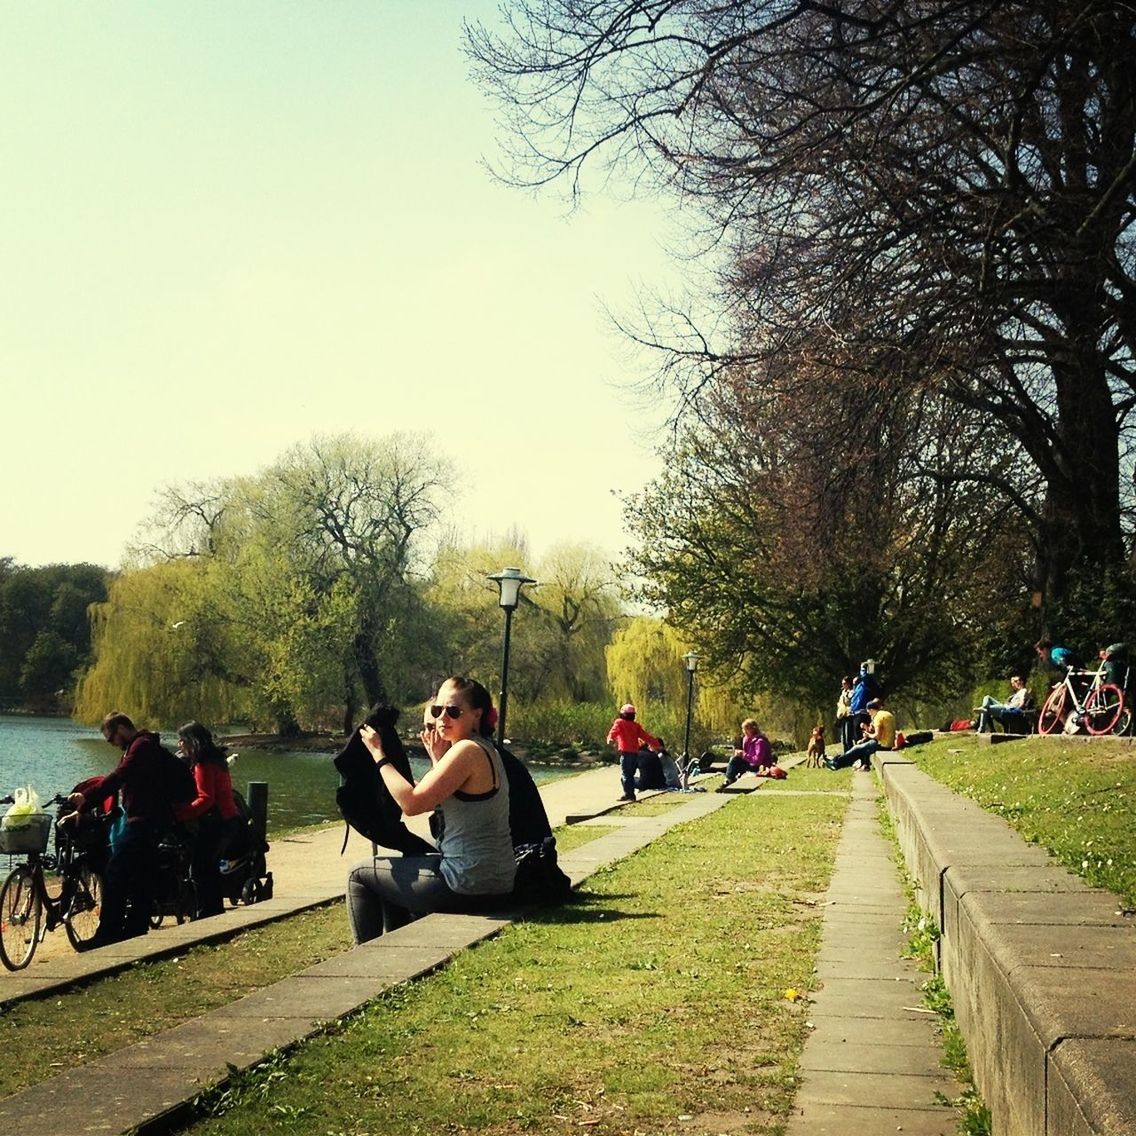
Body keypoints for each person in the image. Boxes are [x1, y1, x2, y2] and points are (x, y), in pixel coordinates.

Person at [345, 676, 516, 943]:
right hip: (496, 880)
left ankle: (362, 957)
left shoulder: (466, 751)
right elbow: (439, 801)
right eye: (438, 711)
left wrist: (380, 756)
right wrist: (437, 759)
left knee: (359, 875)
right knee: (396, 875)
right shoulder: (485, 749)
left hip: (467, 883)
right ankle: (392, 948)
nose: (442, 718)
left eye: (453, 711)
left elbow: (412, 804)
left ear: (476, 715)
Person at [65, 712, 184, 946]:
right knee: (141, 875)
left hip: (144, 820)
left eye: (111, 738)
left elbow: (118, 778)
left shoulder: (141, 747)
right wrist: (85, 804)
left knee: (114, 872)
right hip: (152, 820)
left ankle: (108, 933)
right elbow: (116, 780)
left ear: (121, 728)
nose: (112, 744)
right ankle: (135, 929)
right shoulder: (138, 747)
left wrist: (86, 800)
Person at [174, 721, 244, 919]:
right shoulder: (217, 760)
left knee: (200, 869)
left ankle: (208, 913)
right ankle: (213, 912)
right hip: (229, 819)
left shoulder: (203, 764)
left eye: (182, 740)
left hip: (217, 822)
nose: (179, 744)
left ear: (192, 742)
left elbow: (206, 799)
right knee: (209, 868)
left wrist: (182, 813)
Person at [606, 704, 660, 802]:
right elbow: (645, 736)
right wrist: (655, 743)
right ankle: (630, 794)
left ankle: (629, 794)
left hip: (626, 752)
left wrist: (610, 738)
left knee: (626, 774)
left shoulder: (619, 722)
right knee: (630, 774)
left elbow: (613, 731)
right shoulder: (636, 726)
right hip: (635, 753)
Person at [827, 698, 895, 771]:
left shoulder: (878, 717)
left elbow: (877, 736)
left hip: (883, 745)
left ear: (872, 710)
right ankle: (837, 762)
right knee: (859, 749)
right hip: (888, 743)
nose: (869, 714)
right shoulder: (885, 714)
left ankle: (836, 763)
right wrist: (867, 732)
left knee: (857, 749)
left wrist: (868, 735)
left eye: (869, 712)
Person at [718, 719, 772, 789]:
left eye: (747, 729)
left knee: (734, 762)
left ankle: (729, 780)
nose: (744, 731)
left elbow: (757, 761)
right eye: (743, 729)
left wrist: (743, 755)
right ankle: (729, 780)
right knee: (734, 759)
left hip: (760, 767)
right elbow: (746, 755)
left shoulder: (760, 742)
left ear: (753, 729)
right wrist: (740, 754)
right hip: (751, 764)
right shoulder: (746, 739)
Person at [835, 676, 856, 753]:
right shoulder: (843, 692)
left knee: (848, 738)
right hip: (842, 715)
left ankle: (851, 755)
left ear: (849, 684)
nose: (843, 685)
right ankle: (845, 754)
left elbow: (851, 703)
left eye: (844, 683)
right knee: (843, 738)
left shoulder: (852, 692)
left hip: (849, 716)